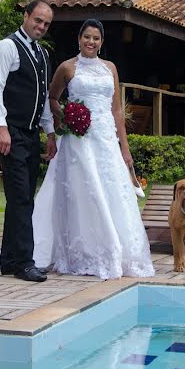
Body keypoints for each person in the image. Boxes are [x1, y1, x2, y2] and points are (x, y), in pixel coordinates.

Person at [32, 19, 155, 279]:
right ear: (79, 39)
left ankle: (119, 253)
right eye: (87, 37)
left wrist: (125, 147)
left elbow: (117, 110)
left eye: (96, 38)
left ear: (101, 42)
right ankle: (86, 253)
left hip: (106, 140)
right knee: (85, 195)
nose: (91, 42)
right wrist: (65, 116)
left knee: (113, 193)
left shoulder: (110, 68)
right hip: (79, 142)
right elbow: (52, 97)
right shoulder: (67, 67)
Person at [0, 0, 57, 283]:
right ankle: (25, 262)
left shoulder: (42, 54)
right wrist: (0, 127)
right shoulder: (6, 47)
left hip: (29, 133)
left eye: (46, 23)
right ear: (26, 16)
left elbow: (43, 98)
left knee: (22, 195)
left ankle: (10, 260)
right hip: (10, 130)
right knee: (21, 196)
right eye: (37, 20)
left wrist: (50, 132)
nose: (41, 26)